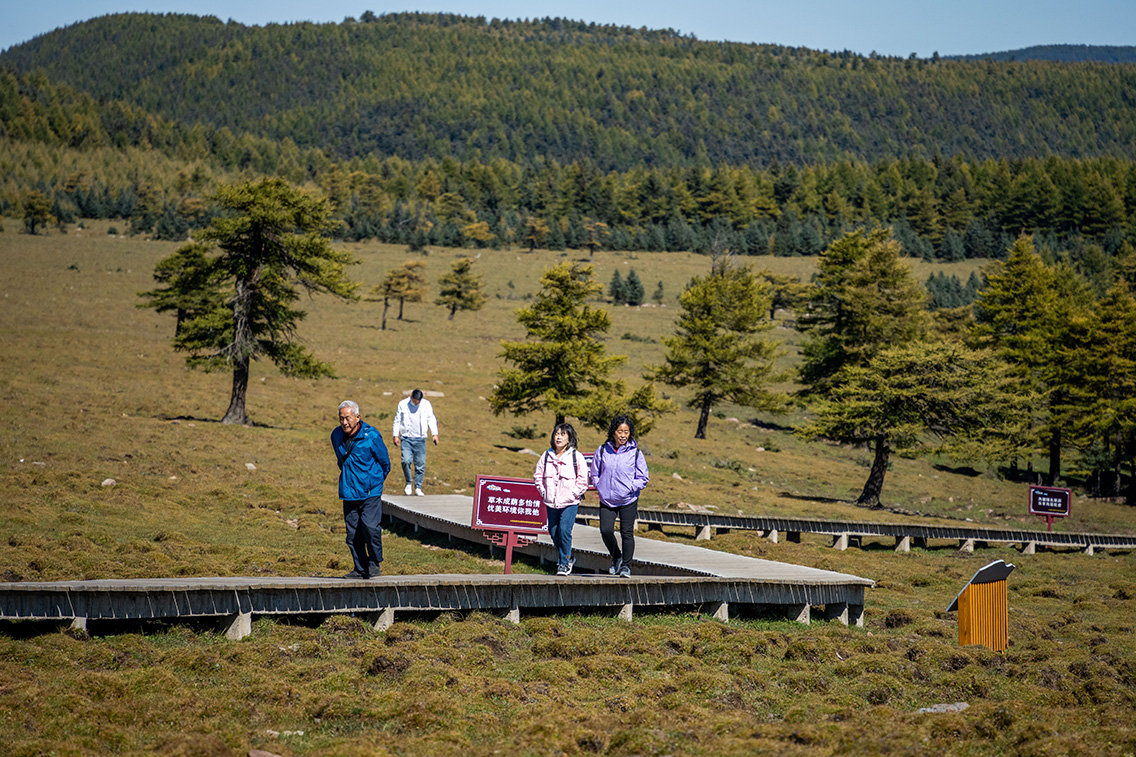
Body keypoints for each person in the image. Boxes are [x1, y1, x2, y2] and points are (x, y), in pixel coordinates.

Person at [331, 400, 391, 579]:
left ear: (357, 417)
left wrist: (375, 482)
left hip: (370, 491)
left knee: (370, 527)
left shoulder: (371, 435)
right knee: (352, 534)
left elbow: (385, 463)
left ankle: (374, 562)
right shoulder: (336, 435)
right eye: (341, 418)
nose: (344, 422)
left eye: (347, 418)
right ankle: (359, 568)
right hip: (349, 491)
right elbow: (341, 461)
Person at [592, 414, 649, 577]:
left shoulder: (636, 453)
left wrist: (631, 487)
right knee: (605, 530)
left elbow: (643, 477)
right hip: (607, 499)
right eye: (620, 431)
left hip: (627, 499)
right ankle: (616, 556)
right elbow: (594, 472)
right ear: (613, 432)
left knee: (627, 533)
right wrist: (599, 485)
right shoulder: (603, 450)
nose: (623, 435)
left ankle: (626, 566)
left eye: (626, 431)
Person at [533, 423, 589, 576]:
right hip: (551, 501)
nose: (558, 437)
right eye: (556, 434)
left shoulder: (576, 456)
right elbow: (538, 476)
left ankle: (563, 564)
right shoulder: (546, 455)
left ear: (569, 438)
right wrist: (544, 492)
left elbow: (583, 479)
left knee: (564, 530)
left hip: (570, 502)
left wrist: (573, 494)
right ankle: (569, 557)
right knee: (553, 532)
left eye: (563, 434)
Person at [392, 389, 439, 496]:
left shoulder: (426, 405)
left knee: (420, 464)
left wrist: (434, 434)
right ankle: (408, 482)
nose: (416, 403)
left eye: (418, 401)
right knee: (406, 460)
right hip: (406, 438)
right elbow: (397, 420)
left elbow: (431, 419)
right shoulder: (403, 404)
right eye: (414, 401)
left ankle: (418, 487)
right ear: (411, 397)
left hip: (420, 439)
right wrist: (396, 435)